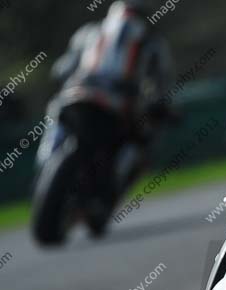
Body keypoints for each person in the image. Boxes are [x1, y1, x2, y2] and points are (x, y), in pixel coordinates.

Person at [52, 0, 174, 194]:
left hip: (82, 97)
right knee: (143, 140)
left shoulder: (90, 31)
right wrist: (162, 107)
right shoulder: (152, 42)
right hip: (113, 107)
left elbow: (62, 69)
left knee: (58, 110)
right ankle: (109, 186)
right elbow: (160, 85)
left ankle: (107, 184)